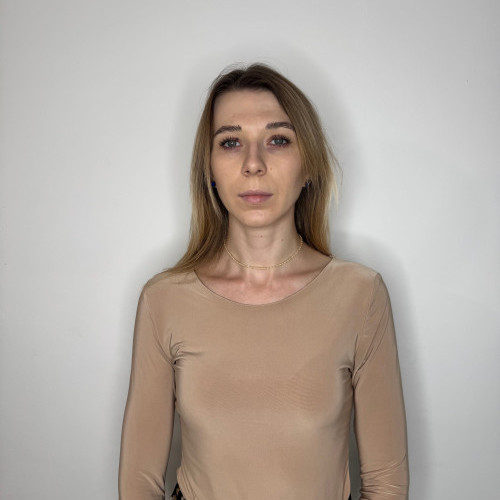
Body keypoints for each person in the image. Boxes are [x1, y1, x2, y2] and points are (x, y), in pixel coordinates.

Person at [118, 63, 409, 500]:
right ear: (209, 168)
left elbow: (387, 483)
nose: (253, 164)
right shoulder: (164, 301)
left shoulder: (360, 295)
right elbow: (138, 483)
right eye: (231, 142)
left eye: (278, 140)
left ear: (308, 165)